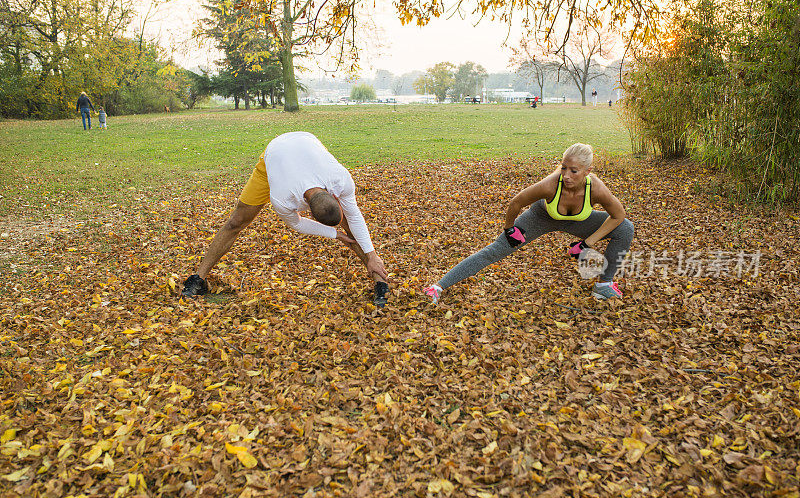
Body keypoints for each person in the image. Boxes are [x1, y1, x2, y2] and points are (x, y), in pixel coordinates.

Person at [181, 131, 390, 306]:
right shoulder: (282, 197)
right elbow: (297, 223)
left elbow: (354, 217)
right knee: (237, 221)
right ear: (306, 207)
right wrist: (335, 234)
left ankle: (381, 282)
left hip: (307, 144)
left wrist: (371, 254)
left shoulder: (340, 179)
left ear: (334, 194)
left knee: (351, 226)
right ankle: (197, 279)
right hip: (275, 154)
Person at [423, 143, 634, 304]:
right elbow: (516, 202)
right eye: (563, 168)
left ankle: (604, 284)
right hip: (540, 218)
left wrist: (587, 244)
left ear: (587, 172)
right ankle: (438, 287)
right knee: (495, 250)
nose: (566, 175)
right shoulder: (551, 185)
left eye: (574, 171)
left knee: (625, 228)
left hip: (577, 221)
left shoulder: (595, 188)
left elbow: (619, 215)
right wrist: (509, 229)